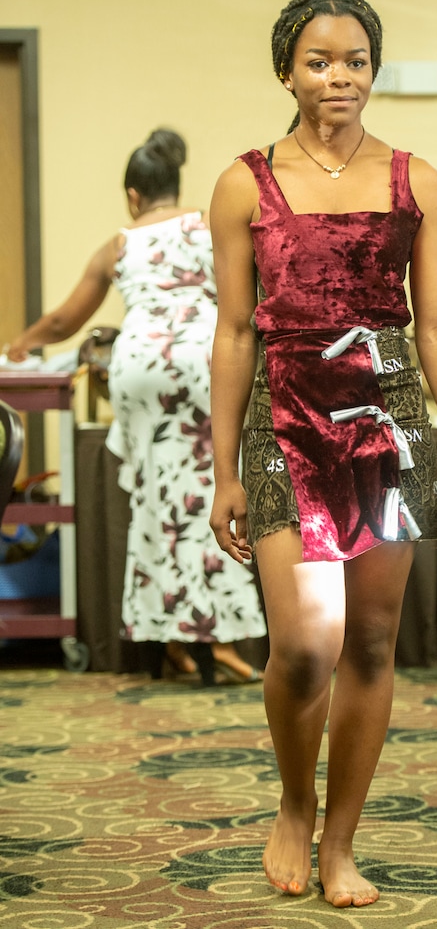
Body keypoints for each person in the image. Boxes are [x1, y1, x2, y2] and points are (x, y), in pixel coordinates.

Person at [208, 0, 437, 908]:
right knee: (303, 645)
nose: (340, 78)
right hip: (283, 414)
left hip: (389, 413)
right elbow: (236, 335)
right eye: (320, 61)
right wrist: (223, 470)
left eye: (356, 60)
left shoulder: (418, 179)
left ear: (375, 68)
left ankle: (339, 839)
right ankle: (294, 800)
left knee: (369, 638)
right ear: (286, 69)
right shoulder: (246, 182)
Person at [7, 128, 267, 686]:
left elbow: (63, 322)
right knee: (217, 490)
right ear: (176, 185)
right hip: (204, 360)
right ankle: (216, 634)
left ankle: (169, 633)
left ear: (132, 195)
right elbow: (253, 290)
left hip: (141, 366)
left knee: (156, 500)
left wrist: (19, 345)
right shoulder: (207, 223)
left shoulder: (120, 243)